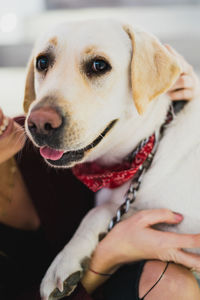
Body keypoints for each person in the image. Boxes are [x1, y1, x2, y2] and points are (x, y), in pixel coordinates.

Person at [0, 45, 200, 300]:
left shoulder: (39, 132)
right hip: (89, 289)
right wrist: (108, 255)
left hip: (133, 272)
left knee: (170, 283)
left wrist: (173, 92)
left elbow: (127, 115)